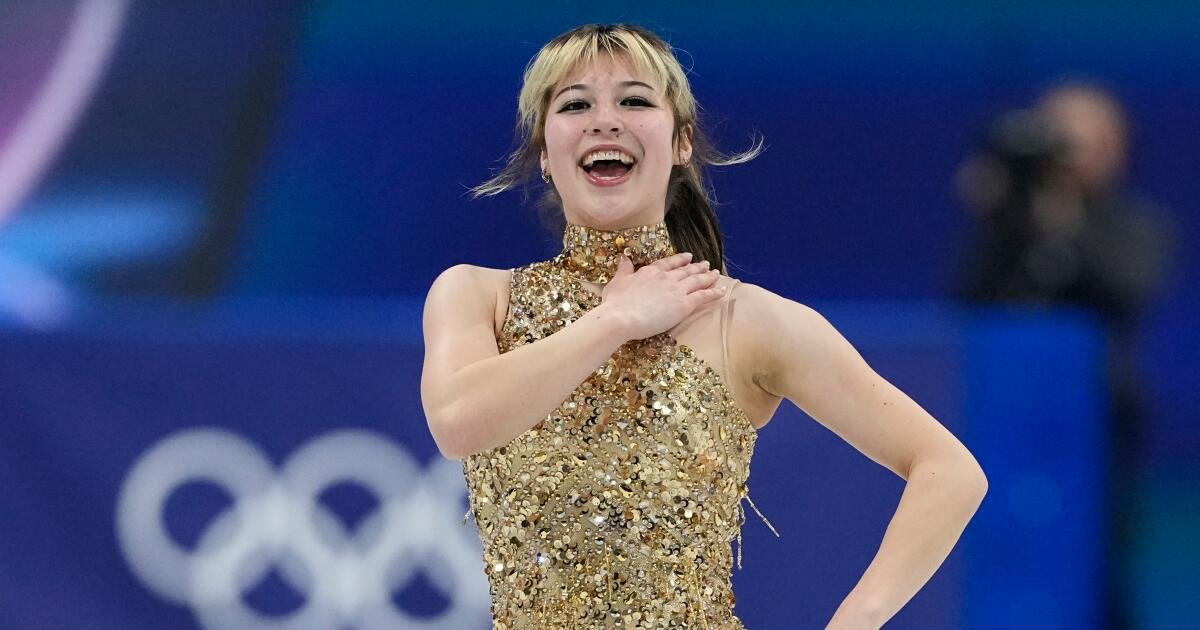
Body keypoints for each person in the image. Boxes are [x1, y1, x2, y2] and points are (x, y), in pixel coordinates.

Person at [421, 23, 988, 629]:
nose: (604, 120)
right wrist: (614, 320)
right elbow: (458, 423)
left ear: (682, 141)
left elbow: (949, 471)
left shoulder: (744, 320)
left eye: (635, 101)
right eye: (575, 104)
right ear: (544, 151)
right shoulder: (478, 294)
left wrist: (856, 620)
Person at [955, 83, 1175, 630]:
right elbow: (968, 301)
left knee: (1095, 559)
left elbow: (1125, 289)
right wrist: (999, 213)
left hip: (1097, 423)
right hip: (999, 419)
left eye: (1080, 143)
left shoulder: (1133, 226)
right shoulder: (1006, 227)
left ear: (1115, 151)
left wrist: (1061, 220)